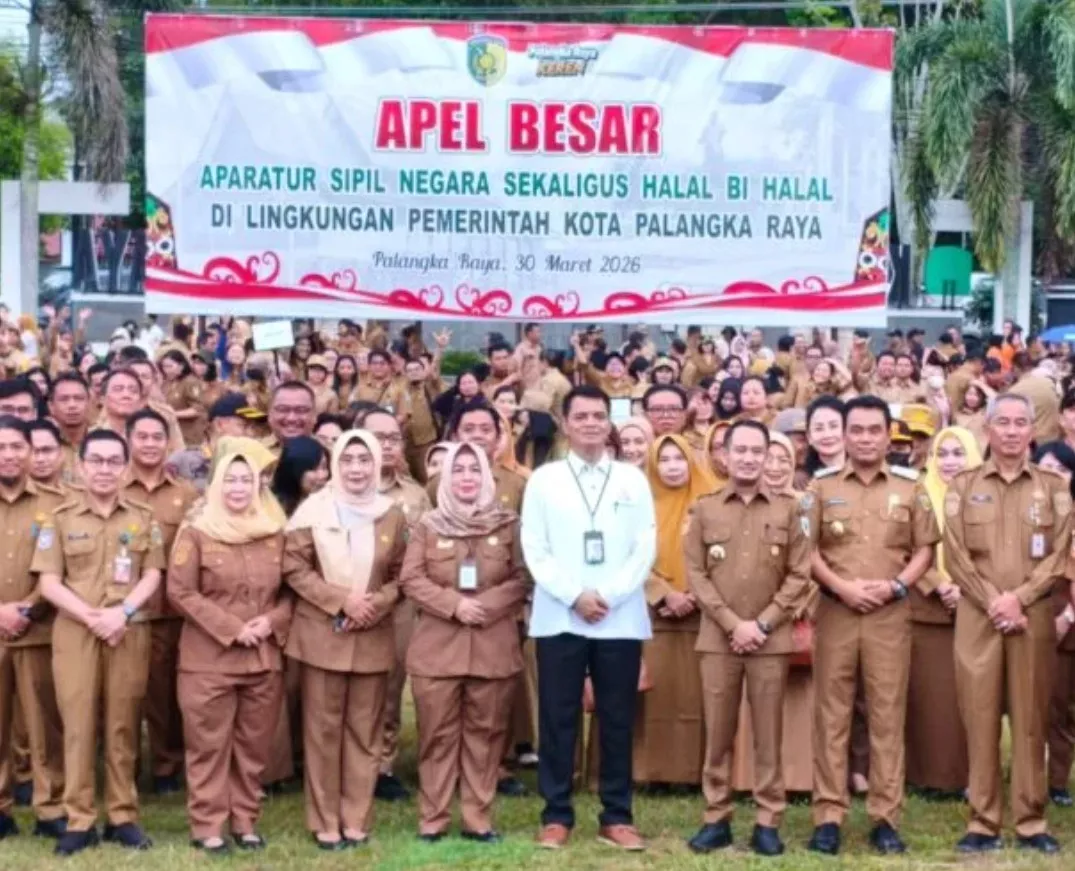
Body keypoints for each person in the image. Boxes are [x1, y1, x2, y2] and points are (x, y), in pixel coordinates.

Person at [521, 385, 657, 851]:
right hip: (561, 615)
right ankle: (557, 814)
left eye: (599, 416)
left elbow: (645, 547)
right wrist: (575, 595)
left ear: (609, 422)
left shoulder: (632, 479)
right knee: (558, 716)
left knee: (616, 717)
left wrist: (610, 595)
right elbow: (534, 547)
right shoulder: (544, 480)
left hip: (618, 617)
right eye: (581, 416)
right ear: (564, 422)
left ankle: (616, 815)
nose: (591, 424)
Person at [806, 396, 938, 856]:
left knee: (886, 715)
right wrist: (842, 588)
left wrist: (899, 586)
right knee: (832, 715)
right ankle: (828, 815)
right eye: (856, 430)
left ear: (888, 435)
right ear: (843, 435)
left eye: (873, 430)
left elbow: (926, 548)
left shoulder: (910, 485)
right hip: (837, 612)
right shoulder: (820, 487)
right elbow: (807, 552)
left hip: (889, 615)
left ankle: (885, 817)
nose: (864, 438)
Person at [944, 393, 1072, 854]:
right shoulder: (962, 486)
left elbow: (1060, 554)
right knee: (978, 718)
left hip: (1032, 619)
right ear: (989, 430)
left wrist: (1018, 599)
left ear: (1032, 432)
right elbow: (954, 555)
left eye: (1021, 422)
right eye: (1004, 423)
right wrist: (994, 602)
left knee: (1031, 717)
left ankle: (1031, 819)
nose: (1013, 431)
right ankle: (982, 820)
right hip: (978, 618)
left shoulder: (1054, 488)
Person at [34, 429, 166, 855]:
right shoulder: (61, 517)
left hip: (128, 628)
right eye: (98, 460)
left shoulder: (143, 516)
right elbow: (50, 582)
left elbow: (153, 574)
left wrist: (121, 612)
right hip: (76, 630)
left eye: (114, 461)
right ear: (82, 465)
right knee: (78, 725)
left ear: (125, 466)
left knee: (123, 723)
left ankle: (123, 815)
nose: (105, 469)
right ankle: (79, 818)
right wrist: (92, 616)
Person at [684, 421, 811, 856]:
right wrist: (731, 623)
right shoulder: (704, 509)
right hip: (718, 640)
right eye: (741, 450)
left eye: (758, 451)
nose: (749, 458)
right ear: (725, 454)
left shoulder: (790, 510)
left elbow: (800, 573)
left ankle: (767, 820)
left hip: (769, 641)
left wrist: (761, 624)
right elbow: (696, 574)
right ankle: (716, 816)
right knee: (717, 732)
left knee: (767, 733)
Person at [283, 430, 407, 848]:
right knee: (322, 733)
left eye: (364, 459)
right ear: (336, 465)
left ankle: (356, 817)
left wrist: (374, 604)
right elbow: (295, 569)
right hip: (323, 634)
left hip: (371, 633)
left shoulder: (392, 513)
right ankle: (325, 821)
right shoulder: (311, 511)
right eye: (348, 459)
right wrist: (342, 602)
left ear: (377, 464)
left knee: (364, 733)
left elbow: (403, 575)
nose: (356, 468)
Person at [401, 442, 529, 841]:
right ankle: (433, 818)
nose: (467, 478)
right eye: (459, 470)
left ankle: (478, 819)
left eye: (475, 470)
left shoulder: (508, 525)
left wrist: (487, 605)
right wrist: (455, 605)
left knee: (486, 738)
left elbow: (524, 576)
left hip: (493, 647)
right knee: (437, 737)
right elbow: (410, 578)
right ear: (446, 478)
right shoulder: (428, 525)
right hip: (438, 649)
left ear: (487, 477)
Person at [167, 441, 291, 854]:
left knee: (253, 748)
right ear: (217, 483)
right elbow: (180, 591)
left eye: (247, 480)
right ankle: (208, 825)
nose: (238, 487)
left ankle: (244, 820)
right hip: (209, 658)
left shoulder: (275, 532)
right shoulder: (197, 531)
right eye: (231, 479)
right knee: (208, 746)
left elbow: (292, 593)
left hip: (262, 657)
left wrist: (270, 622)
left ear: (259, 485)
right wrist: (233, 628)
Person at [633, 434, 716, 790]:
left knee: (697, 696)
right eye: (663, 459)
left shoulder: (711, 501)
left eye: (678, 458)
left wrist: (694, 595)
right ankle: (652, 773)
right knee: (655, 695)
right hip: (652, 616)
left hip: (703, 615)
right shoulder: (637, 505)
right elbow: (628, 555)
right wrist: (664, 594)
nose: (672, 466)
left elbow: (723, 556)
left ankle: (693, 774)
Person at [123, 408, 199, 795]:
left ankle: (167, 767)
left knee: (166, 695)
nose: (150, 444)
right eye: (142, 437)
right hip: (120, 612)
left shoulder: (186, 494)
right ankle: (123, 769)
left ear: (169, 442)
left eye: (158, 437)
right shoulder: (112, 487)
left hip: (168, 613)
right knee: (123, 695)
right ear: (128, 439)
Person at [0, 416, 66, 840]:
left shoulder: (56, 504)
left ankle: (50, 807)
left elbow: (65, 568)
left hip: (37, 630)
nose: (8, 455)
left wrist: (25, 608)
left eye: (16, 447)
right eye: (0, 447)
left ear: (32, 451)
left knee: (45, 725)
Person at [360, 409, 432, 801]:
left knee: (391, 686)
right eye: (377, 437)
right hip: (356, 599)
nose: (386, 445)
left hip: (402, 603)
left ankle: (383, 765)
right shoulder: (346, 487)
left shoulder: (415, 493)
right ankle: (352, 762)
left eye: (393, 438)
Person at [906, 426, 981, 798]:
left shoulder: (986, 493)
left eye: (958, 452)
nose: (950, 461)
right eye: (943, 453)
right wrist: (939, 585)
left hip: (978, 606)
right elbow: (906, 547)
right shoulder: (918, 494)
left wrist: (966, 588)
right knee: (928, 695)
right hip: (927, 609)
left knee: (970, 697)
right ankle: (926, 777)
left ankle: (971, 776)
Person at [1033, 442, 1075, 806]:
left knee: (1062, 707)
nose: (1053, 475)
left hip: (1067, 620)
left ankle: (1058, 781)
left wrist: (1069, 617)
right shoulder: (1029, 514)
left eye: (1061, 469)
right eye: (1045, 467)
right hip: (1032, 616)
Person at [270, 437, 329, 518]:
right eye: (313, 469)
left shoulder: (332, 503)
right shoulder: (271, 507)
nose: (322, 475)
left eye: (324, 467)